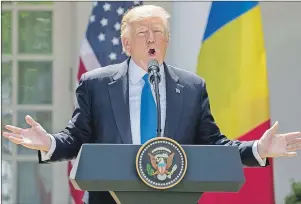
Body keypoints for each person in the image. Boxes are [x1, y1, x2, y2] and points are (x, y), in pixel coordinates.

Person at [2, 4, 301, 204]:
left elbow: (214, 145)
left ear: (167, 41)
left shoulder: (192, 87)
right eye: (142, 33)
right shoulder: (96, 84)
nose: (151, 38)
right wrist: (49, 143)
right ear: (126, 43)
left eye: (158, 32)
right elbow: (76, 139)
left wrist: (258, 150)